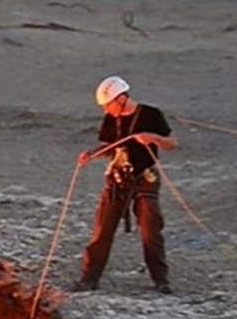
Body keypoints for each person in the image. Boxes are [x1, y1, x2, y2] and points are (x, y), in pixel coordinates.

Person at [76, 74, 177, 294]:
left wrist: (152, 138)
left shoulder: (151, 115)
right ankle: (89, 279)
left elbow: (171, 143)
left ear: (121, 98)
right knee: (102, 230)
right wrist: (92, 154)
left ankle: (161, 280)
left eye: (108, 105)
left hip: (145, 179)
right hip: (118, 179)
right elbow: (111, 146)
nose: (106, 111)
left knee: (151, 230)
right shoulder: (112, 119)